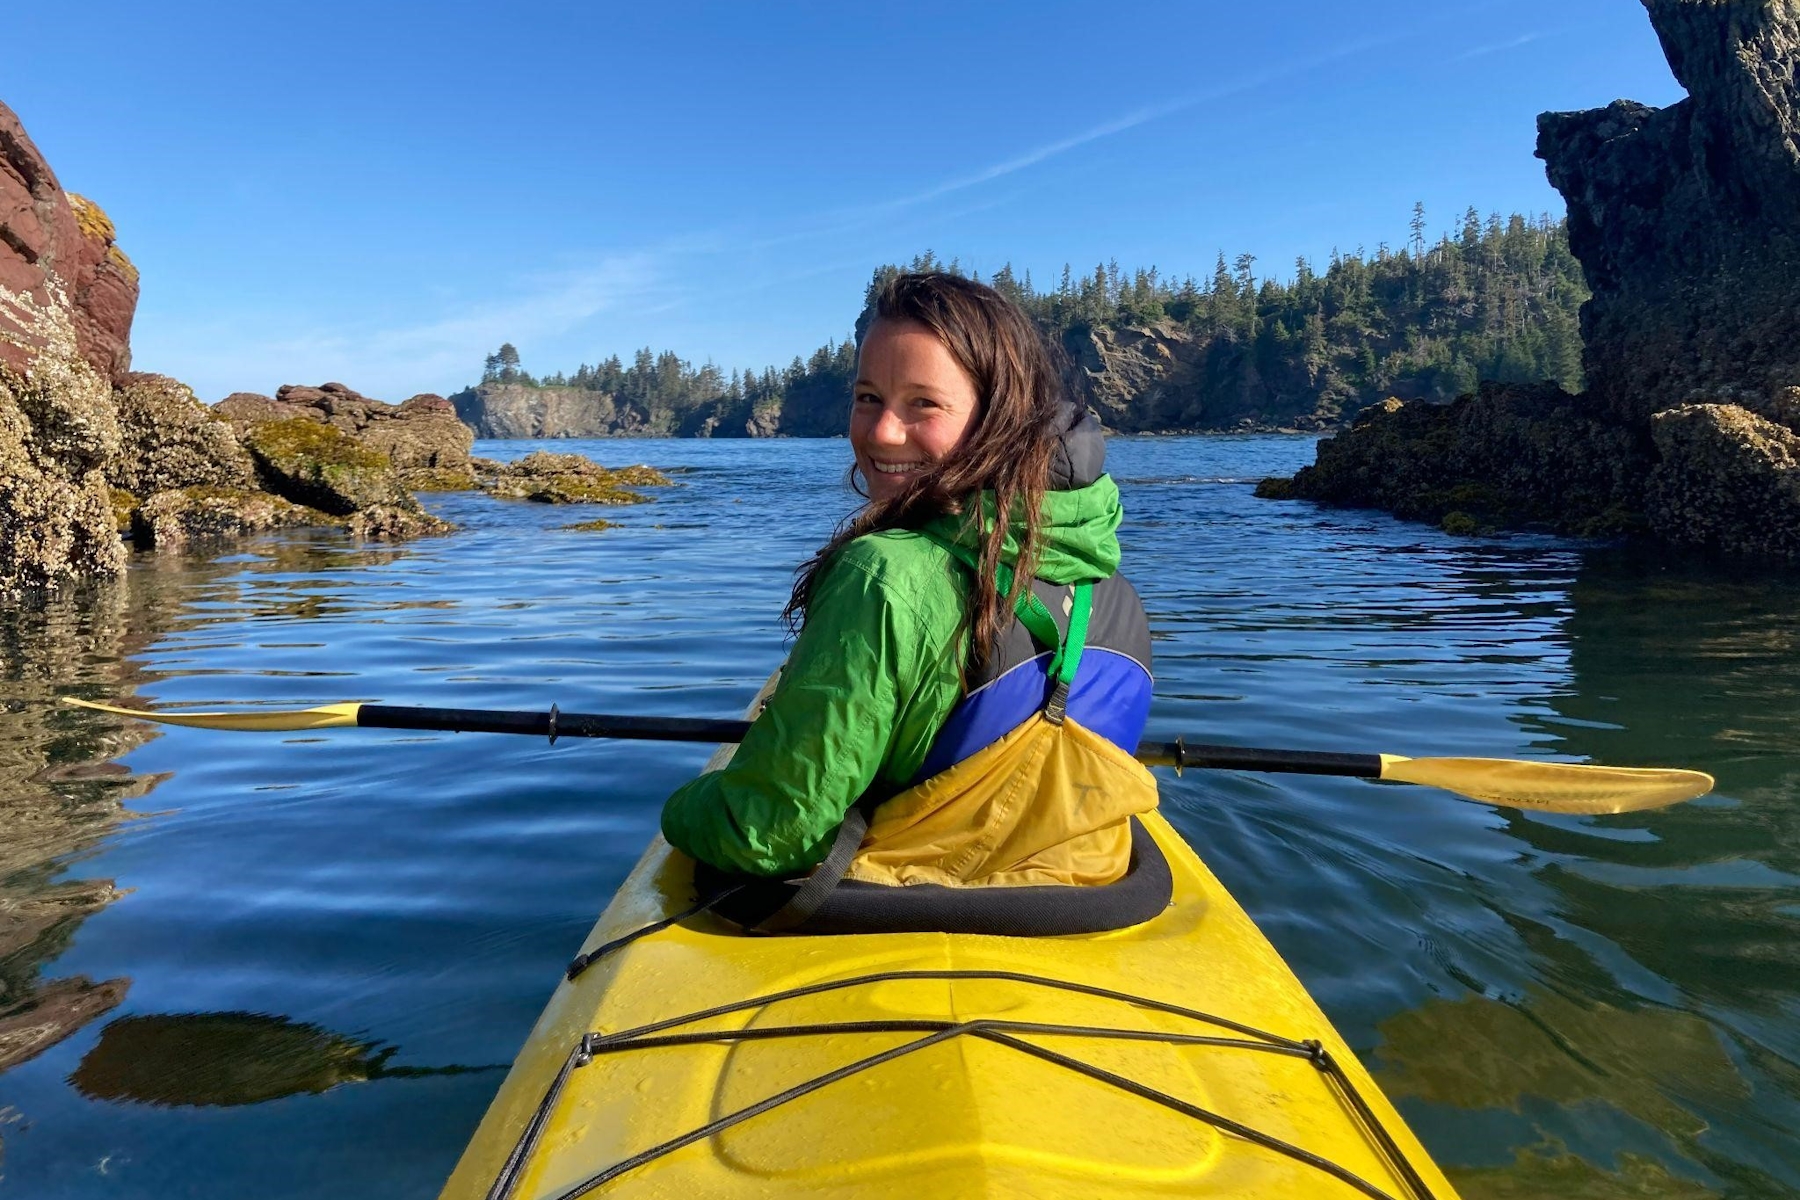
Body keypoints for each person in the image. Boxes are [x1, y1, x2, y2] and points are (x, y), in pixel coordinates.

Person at [661, 272, 1156, 890]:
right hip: (1087, 898)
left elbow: (772, 832)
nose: (882, 432)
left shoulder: (882, 578)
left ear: (997, 418)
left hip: (908, 907)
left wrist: (683, 806)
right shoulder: (1111, 584)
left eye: (923, 403)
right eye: (868, 397)